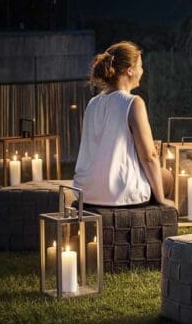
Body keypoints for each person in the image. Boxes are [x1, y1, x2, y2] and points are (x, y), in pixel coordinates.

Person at [74, 41, 175, 208]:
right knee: (167, 177)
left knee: (158, 174)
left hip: (86, 192)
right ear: (130, 70)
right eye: (140, 66)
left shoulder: (92, 103)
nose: (142, 71)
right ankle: (160, 218)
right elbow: (149, 156)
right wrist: (161, 199)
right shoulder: (133, 103)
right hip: (118, 193)